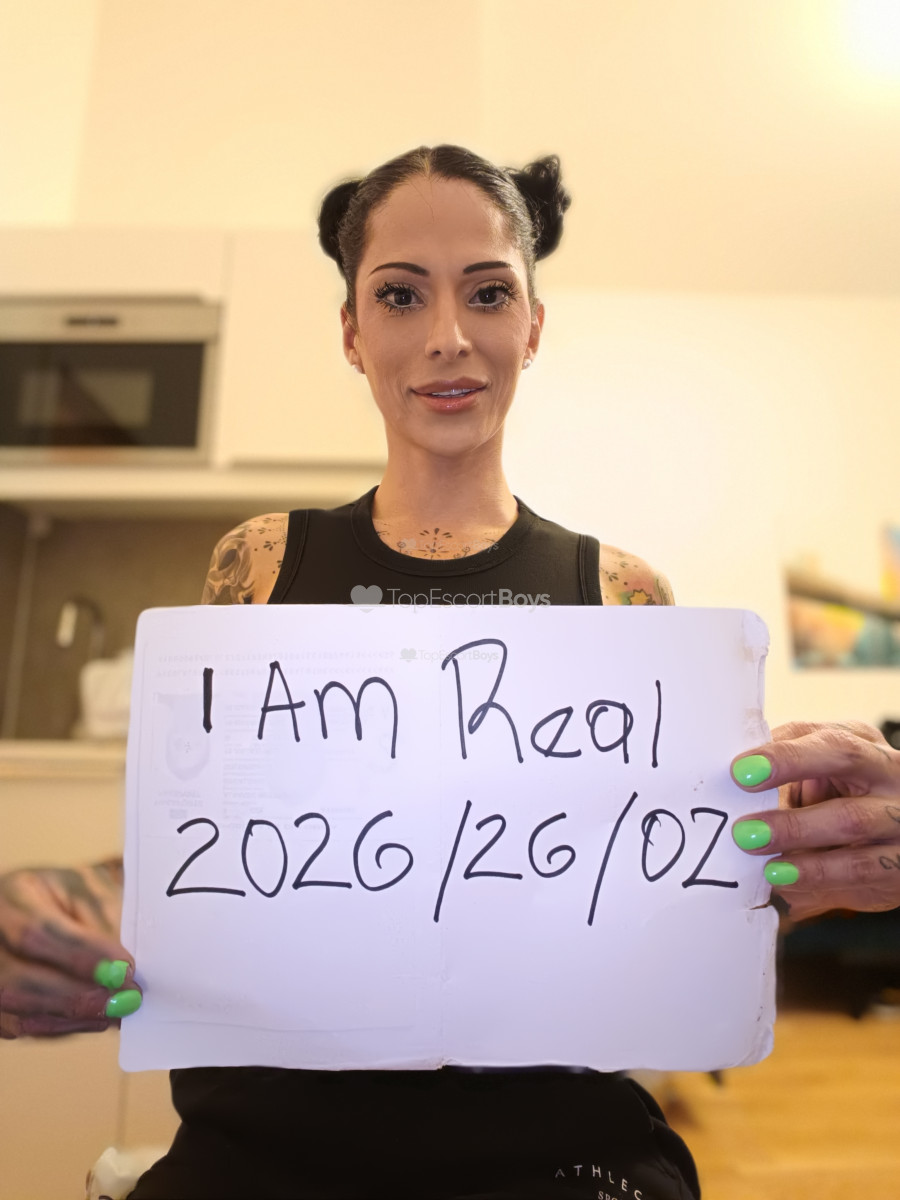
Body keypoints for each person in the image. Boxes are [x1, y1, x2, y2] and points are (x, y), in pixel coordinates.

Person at [1, 145, 899, 1199]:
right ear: (352, 331)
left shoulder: (622, 589)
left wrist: (817, 861)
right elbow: (224, 851)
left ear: (534, 326)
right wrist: (57, 912)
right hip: (271, 1137)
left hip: (554, 1144)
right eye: (399, 295)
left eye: (487, 292)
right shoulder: (260, 562)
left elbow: (654, 888)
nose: (447, 337)